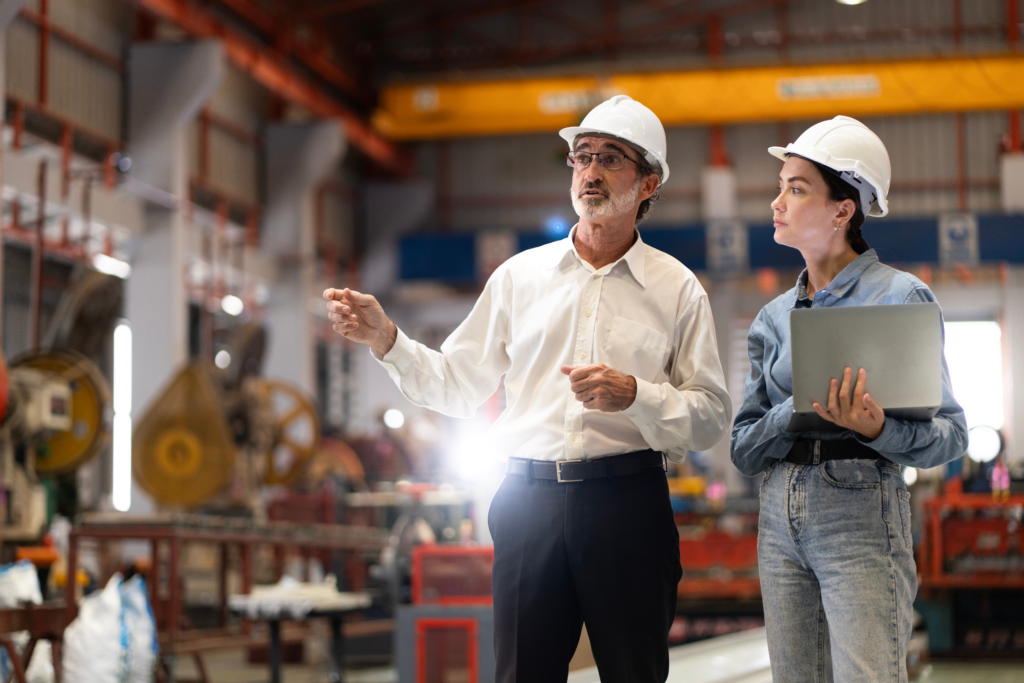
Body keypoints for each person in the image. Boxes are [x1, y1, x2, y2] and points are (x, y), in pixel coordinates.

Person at [325, 95, 732, 682]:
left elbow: (712, 415)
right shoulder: (520, 277)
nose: (590, 172)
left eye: (610, 159)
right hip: (527, 503)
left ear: (648, 184)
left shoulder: (677, 289)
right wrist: (389, 339)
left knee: (634, 673)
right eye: (581, 157)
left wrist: (636, 395)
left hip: (628, 503)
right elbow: (459, 386)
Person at [730, 116, 968, 682]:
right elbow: (743, 448)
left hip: (859, 511)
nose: (777, 202)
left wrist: (875, 428)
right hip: (777, 513)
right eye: (780, 185)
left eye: (796, 187)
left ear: (844, 209)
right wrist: (797, 408)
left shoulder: (900, 296)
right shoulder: (772, 318)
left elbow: (951, 436)